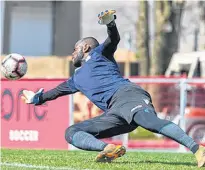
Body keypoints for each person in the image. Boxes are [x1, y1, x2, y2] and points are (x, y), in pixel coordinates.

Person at [21, 10, 205, 167]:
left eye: (74, 49)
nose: (72, 54)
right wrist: (36, 98)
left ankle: (198, 149)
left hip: (127, 95)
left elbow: (113, 39)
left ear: (85, 47)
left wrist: (110, 24)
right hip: (114, 112)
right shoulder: (75, 79)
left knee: (149, 122)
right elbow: (54, 93)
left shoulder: (99, 54)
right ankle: (108, 149)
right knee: (71, 132)